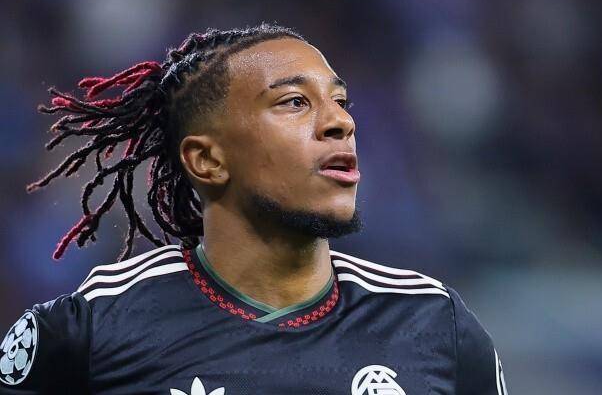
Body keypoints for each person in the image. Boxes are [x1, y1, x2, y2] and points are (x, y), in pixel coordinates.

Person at [0, 24, 508, 394]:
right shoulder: (93, 328)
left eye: (341, 102)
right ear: (208, 160)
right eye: (294, 102)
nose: (341, 123)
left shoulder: (435, 326)